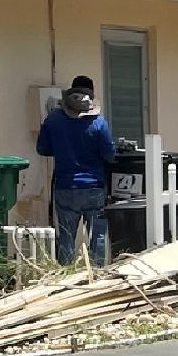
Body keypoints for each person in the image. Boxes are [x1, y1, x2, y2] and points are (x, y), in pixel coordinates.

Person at [36, 79, 117, 265]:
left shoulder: (53, 119)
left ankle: (64, 278)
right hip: (94, 188)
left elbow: (42, 148)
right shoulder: (98, 122)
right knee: (97, 236)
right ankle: (97, 276)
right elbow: (109, 154)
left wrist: (63, 150)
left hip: (65, 187)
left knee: (65, 238)